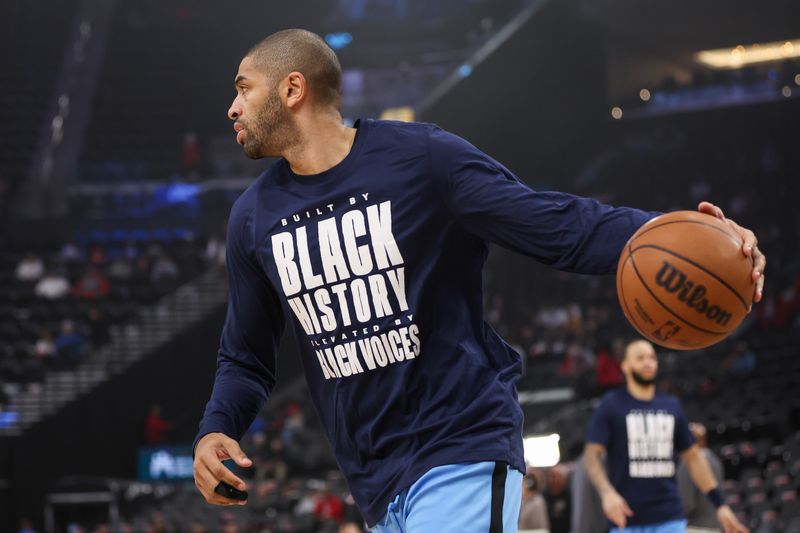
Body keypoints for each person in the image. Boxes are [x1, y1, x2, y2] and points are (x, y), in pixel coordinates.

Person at [192, 29, 766, 533]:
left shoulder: (420, 158)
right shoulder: (252, 218)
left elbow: (552, 223)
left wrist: (684, 234)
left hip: (459, 444)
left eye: (243, 87)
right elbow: (245, 358)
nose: (232, 107)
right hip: (372, 481)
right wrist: (216, 429)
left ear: (293, 89)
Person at [583, 339, 749, 533]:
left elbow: (694, 458)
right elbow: (591, 455)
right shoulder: (611, 404)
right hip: (625, 519)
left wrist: (721, 505)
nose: (648, 362)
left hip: (670, 517)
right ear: (625, 366)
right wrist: (607, 493)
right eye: (640, 358)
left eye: (652, 357)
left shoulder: (671, 405)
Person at [677, 422, 725, 532]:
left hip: (695, 527)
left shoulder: (689, 463)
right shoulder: (714, 458)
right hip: (714, 526)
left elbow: (686, 502)